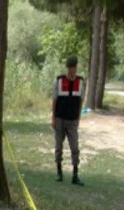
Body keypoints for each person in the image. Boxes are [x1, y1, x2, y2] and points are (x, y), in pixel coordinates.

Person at [52, 56, 85, 186]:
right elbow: (54, 100)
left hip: (72, 121)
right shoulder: (59, 81)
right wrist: (53, 118)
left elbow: (81, 101)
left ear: (76, 67)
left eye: (74, 67)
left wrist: (78, 117)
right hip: (60, 118)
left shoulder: (81, 82)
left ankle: (75, 175)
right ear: (67, 68)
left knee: (75, 147)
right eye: (70, 67)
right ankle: (59, 172)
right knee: (58, 146)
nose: (73, 70)